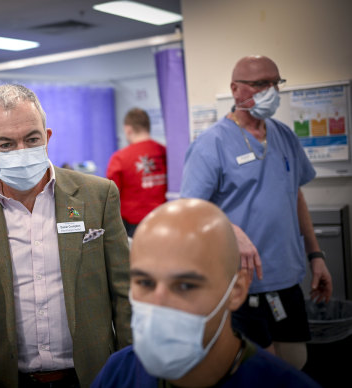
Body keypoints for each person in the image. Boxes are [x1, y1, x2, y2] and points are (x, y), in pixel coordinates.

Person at [0, 84, 131, 388]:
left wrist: (130, 369)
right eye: (5, 144)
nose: (21, 151)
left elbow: (124, 295)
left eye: (31, 139)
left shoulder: (98, 196)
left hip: (94, 374)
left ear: (46, 137)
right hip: (12, 379)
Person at [180, 55, 332, 368]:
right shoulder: (212, 143)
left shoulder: (284, 135)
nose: (271, 90)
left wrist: (316, 256)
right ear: (236, 89)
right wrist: (231, 230)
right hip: (241, 281)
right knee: (260, 370)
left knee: (296, 362)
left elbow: (296, 195)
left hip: (287, 276)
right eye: (261, 83)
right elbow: (191, 211)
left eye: (276, 82)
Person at [92, 198, 322, 388]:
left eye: (185, 286)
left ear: (236, 290)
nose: (158, 303)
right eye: (145, 282)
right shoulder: (119, 372)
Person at [106, 108, 167, 237]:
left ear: (128, 129)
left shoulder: (120, 158)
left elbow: (110, 196)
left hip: (135, 228)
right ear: (148, 126)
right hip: (164, 222)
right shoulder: (165, 152)